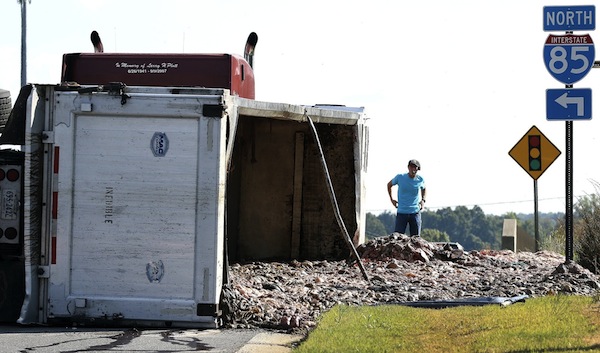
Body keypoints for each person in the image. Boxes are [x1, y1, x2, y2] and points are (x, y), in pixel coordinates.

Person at [387, 159, 426, 236]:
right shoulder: (400, 177)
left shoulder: (420, 180)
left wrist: (423, 200)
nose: (413, 169)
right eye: (411, 167)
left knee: (416, 239)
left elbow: (424, 188)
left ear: (418, 169)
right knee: (397, 238)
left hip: (415, 212)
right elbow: (389, 185)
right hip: (402, 212)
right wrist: (392, 199)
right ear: (408, 167)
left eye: (415, 168)